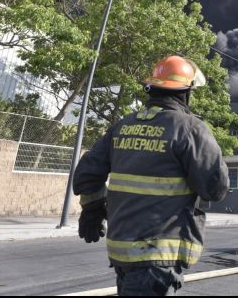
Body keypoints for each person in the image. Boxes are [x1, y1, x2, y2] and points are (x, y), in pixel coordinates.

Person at [73, 55, 229, 295]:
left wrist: (92, 208)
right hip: (160, 256)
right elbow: (215, 187)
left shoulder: (123, 126)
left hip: (121, 255)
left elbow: (86, 172)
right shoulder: (189, 128)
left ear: (153, 88)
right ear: (186, 91)